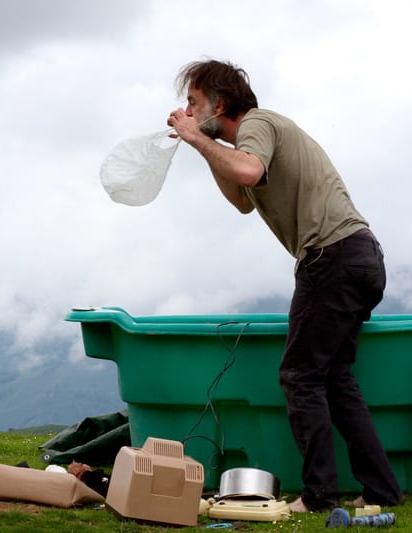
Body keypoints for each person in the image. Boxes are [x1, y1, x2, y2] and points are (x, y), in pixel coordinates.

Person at [166, 59, 404, 513]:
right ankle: (382, 491)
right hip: (358, 256)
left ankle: (318, 497)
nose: (188, 112)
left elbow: (247, 172)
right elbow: (242, 198)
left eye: (194, 103)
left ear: (220, 103)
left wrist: (196, 137)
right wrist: (203, 145)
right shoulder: (250, 139)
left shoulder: (257, 124)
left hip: (331, 256)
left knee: (299, 376)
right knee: (334, 378)